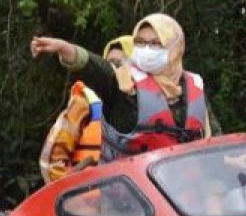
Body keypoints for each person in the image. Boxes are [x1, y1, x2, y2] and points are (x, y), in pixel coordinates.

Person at [30, 14, 218, 160]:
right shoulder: (122, 82)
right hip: (128, 201)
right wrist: (64, 48)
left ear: (176, 48)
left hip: (182, 200)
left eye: (155, 43)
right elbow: (97, 67)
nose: (146, 49)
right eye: (140, 42)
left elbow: (216, 139)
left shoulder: (194, 86)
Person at [38, 36, 133, 183]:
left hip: (134, 199)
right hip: (88, 199)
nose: (113, 69)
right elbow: (51, 160)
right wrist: (71, 194)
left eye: (119, 64)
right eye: (109, 64)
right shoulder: (86, 101)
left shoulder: (149, 104)